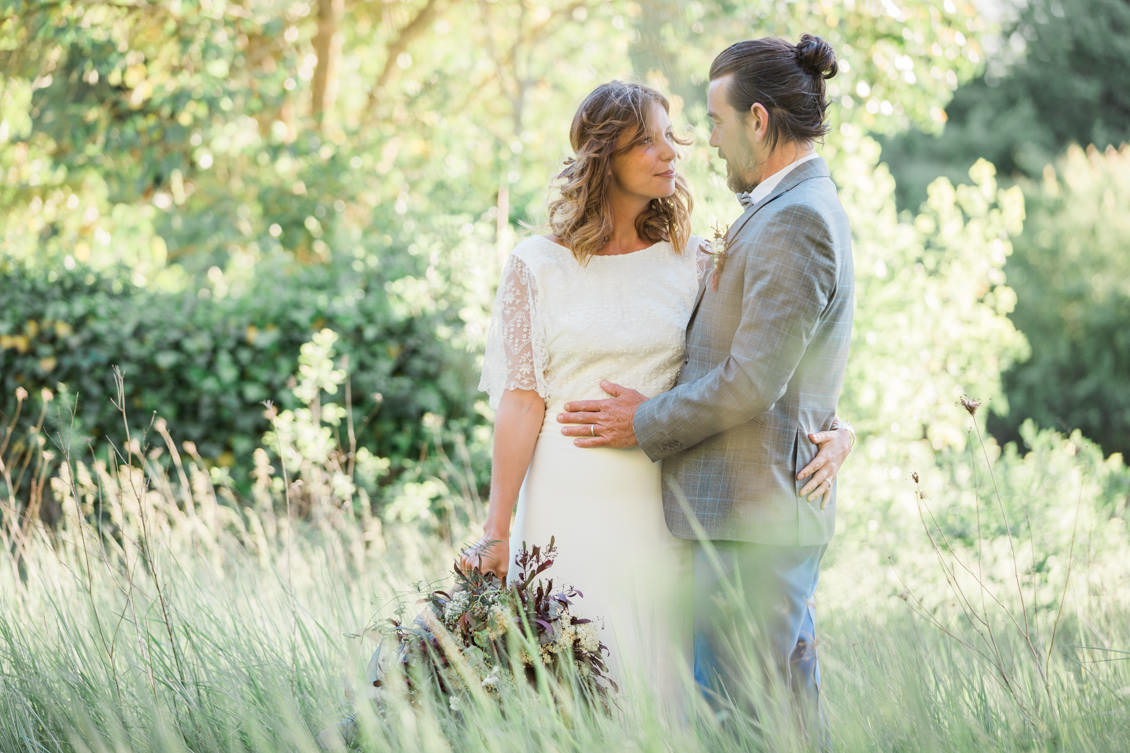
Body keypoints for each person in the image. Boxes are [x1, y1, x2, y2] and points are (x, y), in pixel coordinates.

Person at [461, 79, 852, 708]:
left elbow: (763, 365)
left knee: (662, 687)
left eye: (673, 135)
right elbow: (522, 401)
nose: (672, 151)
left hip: (667, 506)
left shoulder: (698, 260)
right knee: (569, 681)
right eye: (648, 140)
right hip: (564, 505)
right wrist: (496, 529)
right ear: (603, 156)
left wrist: (840, 430)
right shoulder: (536, 264)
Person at [556, 35, 852, 734]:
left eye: (715, 123)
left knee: (742, 723)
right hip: (739, 517)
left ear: (757, 119)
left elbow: (753, 380)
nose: (707, 143)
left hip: (750, 521)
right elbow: (791, 358)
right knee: (770, 717)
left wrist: (644, 421)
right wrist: (839, 426)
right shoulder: (784, 208)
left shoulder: (797, 218)